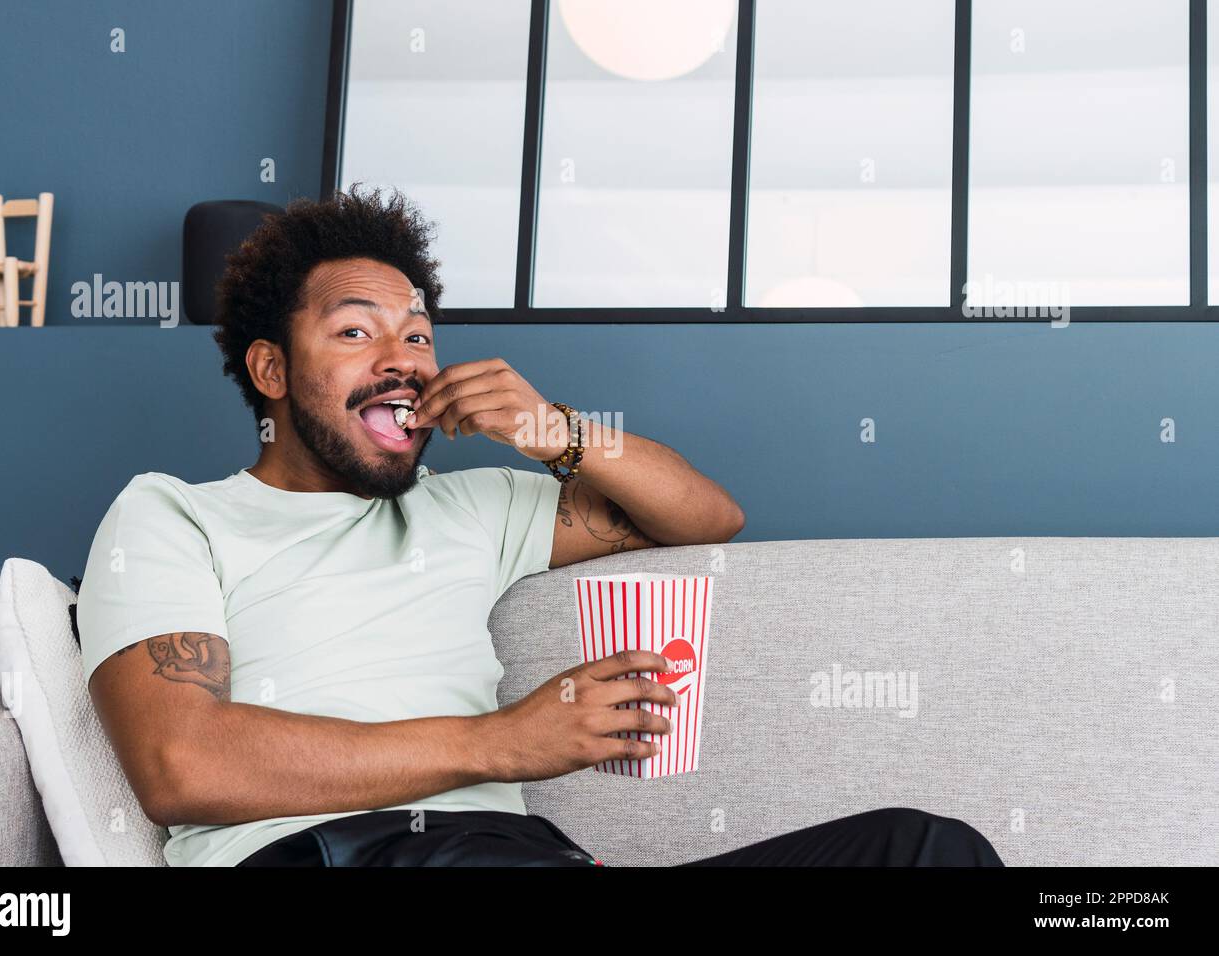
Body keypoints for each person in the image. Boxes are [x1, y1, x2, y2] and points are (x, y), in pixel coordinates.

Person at [75, 185, 1003, 868]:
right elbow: (180, 762)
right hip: (330, 858)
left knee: (926, 853)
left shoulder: (469, 508)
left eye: (420, 334)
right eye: (357, 333)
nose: (403, 360)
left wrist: (556, 432)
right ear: (271, 370)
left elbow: (708, 518)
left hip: (515, 857)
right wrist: (505, 744)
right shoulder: (172, 514)